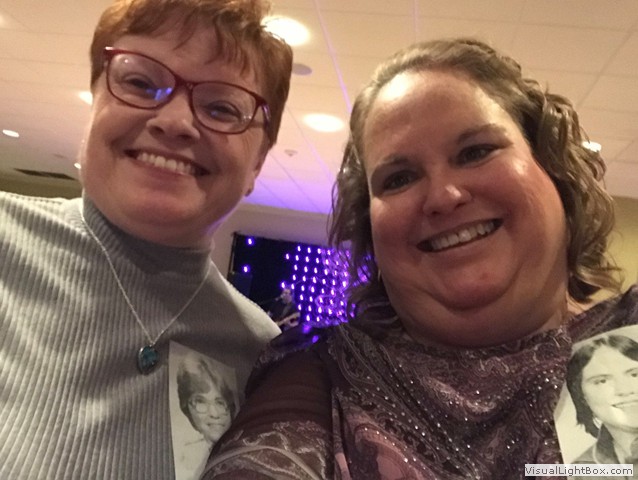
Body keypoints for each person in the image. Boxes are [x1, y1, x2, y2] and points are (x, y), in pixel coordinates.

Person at [201, 37, 638, 479]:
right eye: (399, 179)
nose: (444, 196)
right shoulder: (319, 378)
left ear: (553, 170)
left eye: (476, 152)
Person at [0, 0, 291, 478]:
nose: (174, 121)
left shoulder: (262, 357)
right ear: (95, 97)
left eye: (221, 107)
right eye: (140, 82)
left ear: (257, 162)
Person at [566, 333, 638, 471]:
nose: (624, 390)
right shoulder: (581, 469)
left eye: (635, 374)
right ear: (582, 396)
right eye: (602, 381)